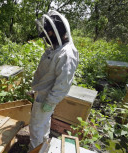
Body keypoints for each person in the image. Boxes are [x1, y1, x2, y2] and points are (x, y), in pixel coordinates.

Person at [29, 10, 79, 151]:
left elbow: (63, 84)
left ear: (57, 31)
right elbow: (47, 73)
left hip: (46, 98)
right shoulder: (57, 48)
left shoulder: (67, 53)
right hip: (42, 95)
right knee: (43, 124)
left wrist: (50, 102)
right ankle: (43, 146)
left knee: (35, 127)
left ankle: (35, 149)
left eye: (49, 33)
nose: (47, 37)